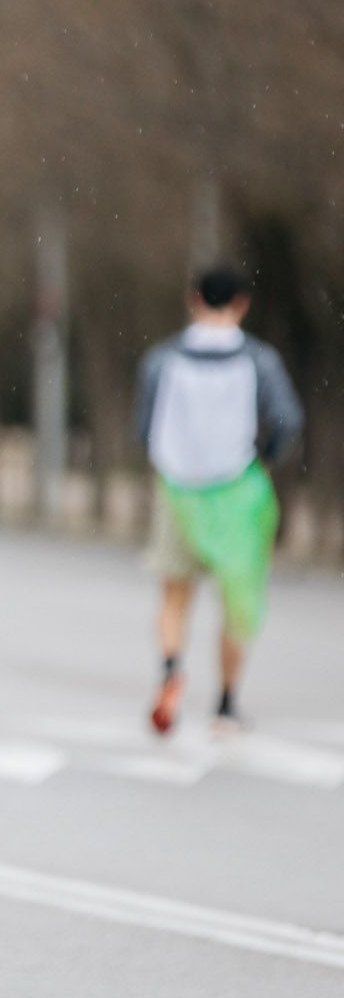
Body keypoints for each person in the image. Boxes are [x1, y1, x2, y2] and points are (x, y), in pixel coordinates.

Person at [136, 265, 303, 735]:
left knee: (174, 594)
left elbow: (144, 426)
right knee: (237, 602)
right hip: (235, 491)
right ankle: (225, 706)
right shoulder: (258, 360)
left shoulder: (163, 359)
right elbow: (288, 419)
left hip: (178, 488)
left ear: (193, 298)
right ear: (242, 303)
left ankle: (170, 670)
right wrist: (262, 459)